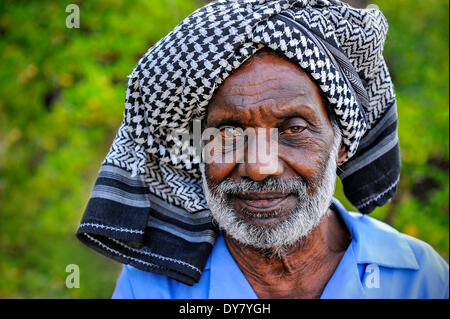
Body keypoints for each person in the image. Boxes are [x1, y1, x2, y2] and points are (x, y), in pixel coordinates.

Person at [76, 0, 448, 299]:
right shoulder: (154, 287)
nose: (259, 167)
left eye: (293, 129)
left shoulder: (417, 279)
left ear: (342, 144)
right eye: (228, 134)